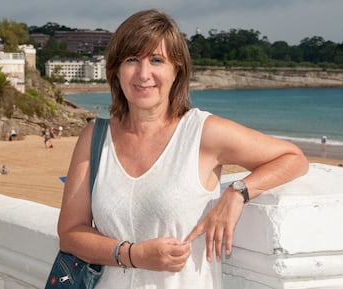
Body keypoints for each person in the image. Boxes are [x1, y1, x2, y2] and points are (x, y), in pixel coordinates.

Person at [57, 9, 308, 289]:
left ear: (177, 70)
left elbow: (293, 158)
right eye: (131, 60)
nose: (144, 74)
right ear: (116, 71)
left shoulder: (202, 133)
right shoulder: (94, 137)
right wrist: (134, 254)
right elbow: (70, 233)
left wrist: (238, 192)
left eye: (156, 60)